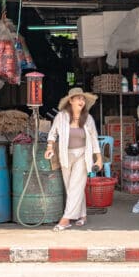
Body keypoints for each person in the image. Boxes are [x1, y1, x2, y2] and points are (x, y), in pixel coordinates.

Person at [45, 88, 103, 231]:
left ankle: (66, 219)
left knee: (76, 185)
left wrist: (98, 159)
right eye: (78, 98)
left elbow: (94, 139)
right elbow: (53, 134)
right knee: (71, 187)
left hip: (82, 155)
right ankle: (82, 215)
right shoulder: (61, 116)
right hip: (66, 155)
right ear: (70, 101)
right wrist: (49, 147)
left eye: (83, 99)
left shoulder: (88, 118)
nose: (81, 101)